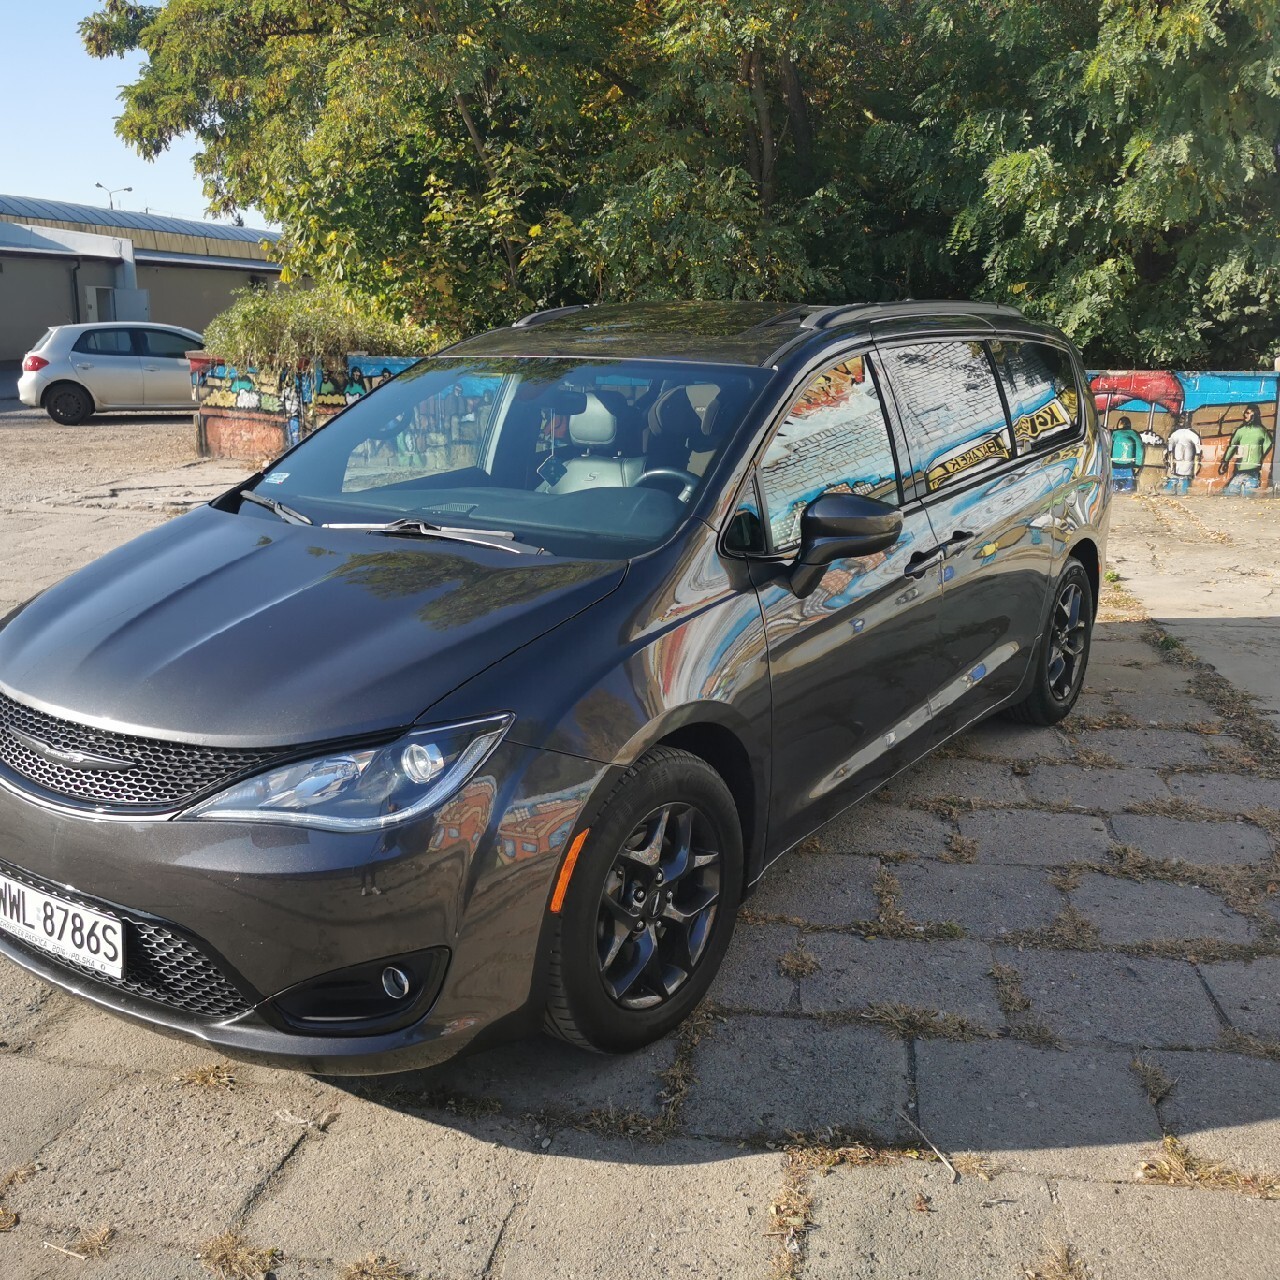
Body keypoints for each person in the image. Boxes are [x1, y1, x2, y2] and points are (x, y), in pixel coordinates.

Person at [1219, 404, 1274, 495]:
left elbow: (1232, 446)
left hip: (1243, 468)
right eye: (1245, 413)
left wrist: (1225, 461)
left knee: (1231, 493)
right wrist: (1258, 455)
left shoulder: (1241, 431)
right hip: (1252, 468)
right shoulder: (1262, 431)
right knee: (1249, 494)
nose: (1245, 415)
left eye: (1248, 413)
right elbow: (1267, 445)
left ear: (1254, 415)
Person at [1163, 413, 1203, 496]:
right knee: (1183, 489)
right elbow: (1198, 454)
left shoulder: (1174, 434)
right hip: (1186, 467)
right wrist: (1196, 469)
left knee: (1170, 489)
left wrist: (1170, 466)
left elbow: (1169, 452)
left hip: (1176, 466)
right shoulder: (1193, 435)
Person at [1110, 416, 1145, 492]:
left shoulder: (1114, 434)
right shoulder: (1134, 434)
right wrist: (1138, 464)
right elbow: (1140, 449)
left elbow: (1108, 447)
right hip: (1129, 465)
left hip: (1114, 464)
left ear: (1119, 424)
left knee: (1114, 486)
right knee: (1128, 487)